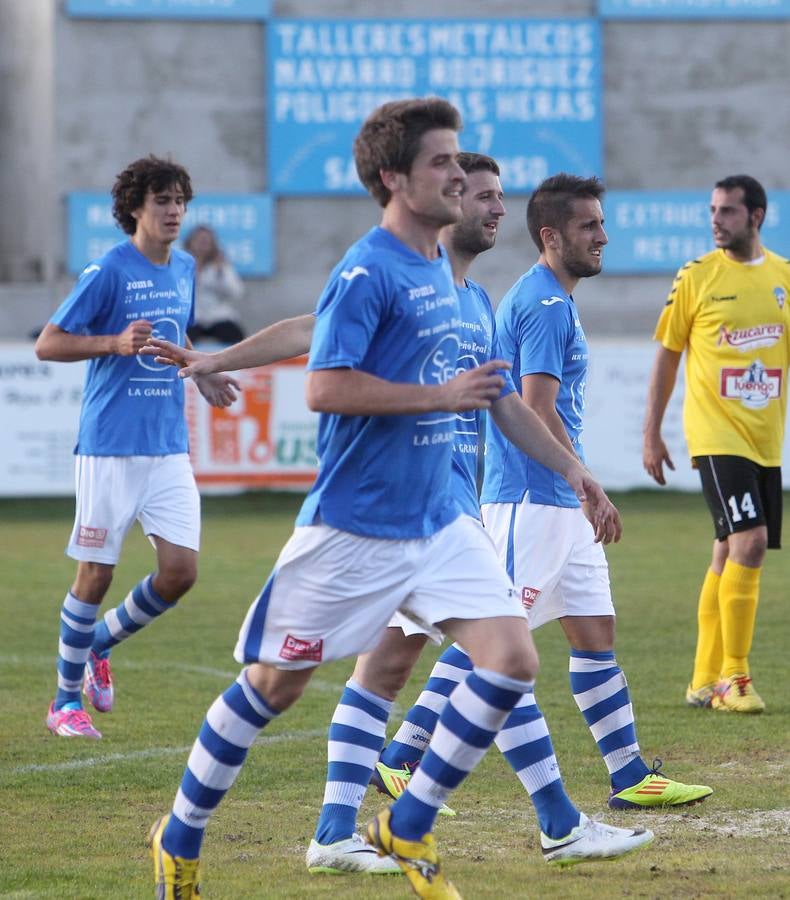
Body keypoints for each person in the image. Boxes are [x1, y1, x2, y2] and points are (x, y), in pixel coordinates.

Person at [145, 99, 631, 900]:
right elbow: (326, 385)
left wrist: (576, 473)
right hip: (356, 525)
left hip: (441, 523)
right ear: (393, 179)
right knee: (275, 687)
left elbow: (499, 398)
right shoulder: (370, 267)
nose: (460, 176)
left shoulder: (450, 278)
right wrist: (436, 395)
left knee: (510, 661)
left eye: (458, 162)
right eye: (443, 163)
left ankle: (404, 826)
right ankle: (182, 833)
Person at [301, 152, 654, 878]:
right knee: (286, 681)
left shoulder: (476, 302)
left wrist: (576, 471)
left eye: (495, 196)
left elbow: (511, 409)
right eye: (477, 194)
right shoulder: (406, 279)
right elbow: (317, 337)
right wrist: (221, 360)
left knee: (400, 669)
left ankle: (338, 831)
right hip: (400, 509)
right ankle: (530, 821)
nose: (494, 209)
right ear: (440, 198)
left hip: (449, 507)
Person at [373, 173, 713, 817]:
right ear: (552, 236)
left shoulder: (551, 297)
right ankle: (402, 757)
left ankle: (629, 773)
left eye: (602, 224)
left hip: (557, 504)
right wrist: (583, 482)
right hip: (531, 502)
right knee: (489, 639)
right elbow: (536, 406)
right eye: (589, 227)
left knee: (595, 634)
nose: (602, 237)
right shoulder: (544, 304)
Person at [35, 155, 240, 741]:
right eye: (163, 201)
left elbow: (179, 341)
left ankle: (98, 644)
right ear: (135, 208)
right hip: (110, 445)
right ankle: (64, 703)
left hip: (168, 445)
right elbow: (49, 344)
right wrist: (112, 342)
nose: (175, 211)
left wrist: (202, 372)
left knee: (180, 573)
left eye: (181, 201)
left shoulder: (184, 268)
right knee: (95, 576)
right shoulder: (108, 271)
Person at [643, 174, 790, 714]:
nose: (715, 220)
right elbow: (667, 352)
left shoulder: (783, 278)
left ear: (756, 216)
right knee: (750, 542)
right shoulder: (697, 277)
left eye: (727, 211)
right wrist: (651, 431)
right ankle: (735, 678)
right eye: (712, 209)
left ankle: (703, 680)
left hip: (765, 440)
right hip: (715, 433)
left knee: (729, 548)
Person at [184, 224, 245, 344]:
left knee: (236, 336)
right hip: (194, 319)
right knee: (180, 338)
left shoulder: (221, 266)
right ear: (190, 242)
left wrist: (220, 272)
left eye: (206, 241)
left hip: (219, 317)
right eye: (199, 240)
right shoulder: (182, 265)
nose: (202, 245)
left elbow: (236, 292)